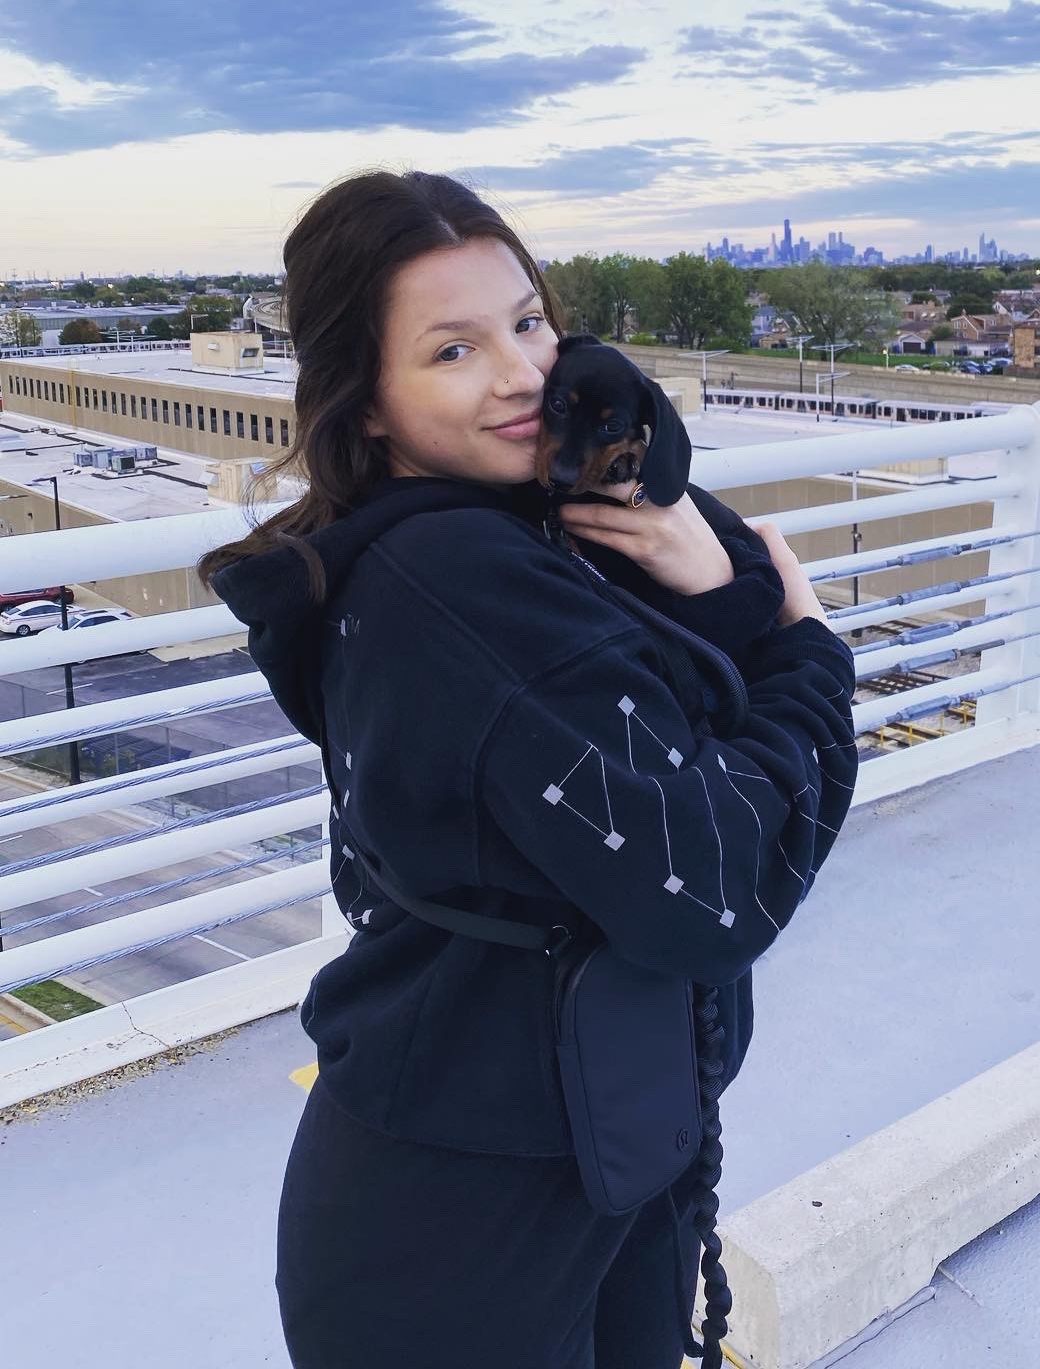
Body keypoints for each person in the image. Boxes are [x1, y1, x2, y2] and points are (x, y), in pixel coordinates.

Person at [197, 169, 860, 1369]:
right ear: (370, 403)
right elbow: (718, 884)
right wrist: (803, 652)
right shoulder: (457, 584)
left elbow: (654, 730)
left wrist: (709, 582)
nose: (520, 374)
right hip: (465, 1212)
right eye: (452, 351)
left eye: (528, 321)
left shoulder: (514, 529)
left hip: (583, 1132)